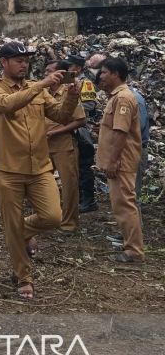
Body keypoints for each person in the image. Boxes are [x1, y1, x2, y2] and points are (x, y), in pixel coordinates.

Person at [0, 42, 79, 300]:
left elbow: (61, 116)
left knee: (53, 216)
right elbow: (8, 105)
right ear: (4, 62)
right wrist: (42, 84)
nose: (23, 64)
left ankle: (22, 232)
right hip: (7, 169)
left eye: (26, 59)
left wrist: (72, 94)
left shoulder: (37, 89)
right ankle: (24, 277)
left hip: (39, 166)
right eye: (18, 59)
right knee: (11, 223)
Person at [95, 57, 144, 263]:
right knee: (121, 204)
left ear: (115, 74)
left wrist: (113, 161)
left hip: (122, 162)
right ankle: (130, 245)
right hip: (118, 161)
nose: (101, 77)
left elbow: (120, 132)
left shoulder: (123, 98)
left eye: (104, 72)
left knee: (124, 204)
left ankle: (134, 250)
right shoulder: (115, 96)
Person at [43, 60, 86, 234]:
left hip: (64, 145)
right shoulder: (43, 92)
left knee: (69, 186)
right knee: (42, 184)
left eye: (50, 71)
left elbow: (81, 120)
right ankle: (45, 219)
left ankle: (69, 224)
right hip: (43, 145)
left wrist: (57, 132)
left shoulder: (70, 92)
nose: (46, 75)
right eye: (46, 72)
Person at [65, 54, 99, 213]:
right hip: (68, 128)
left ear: (77, 68)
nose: (66, 69)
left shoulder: (86, 83)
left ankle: (89, 200)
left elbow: (89, 106)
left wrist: (68, 114)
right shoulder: (66, 81)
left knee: (85, 165)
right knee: (73, 166)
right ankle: (76, 198)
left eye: (70, 66)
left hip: (82, 129)